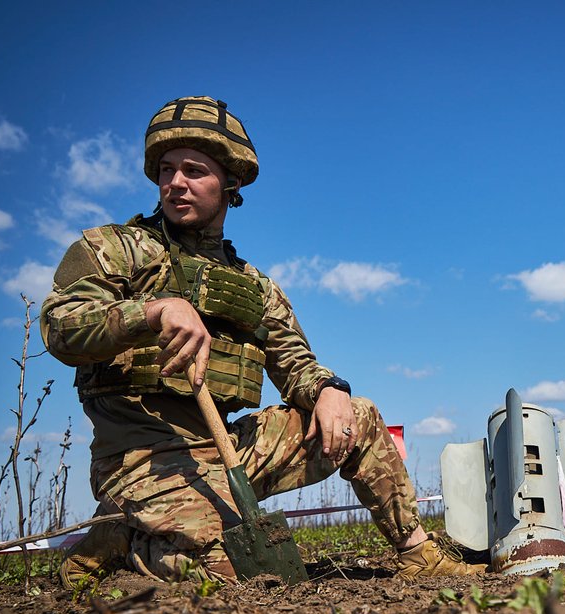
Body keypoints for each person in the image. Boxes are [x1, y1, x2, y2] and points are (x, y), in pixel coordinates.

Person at [41, 96, 483, 587]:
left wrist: (327, 390)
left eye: (194, 170)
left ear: (230, 184)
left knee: (357, 415)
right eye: (166, 169)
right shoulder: (116, 249)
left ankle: (418, 556)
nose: (176, 183)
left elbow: (295, 362)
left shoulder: (253, 286)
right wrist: (150, 311)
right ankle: (124, 538)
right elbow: (60, 326)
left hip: (224, 451)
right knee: (226, 568)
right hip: (142, 463)